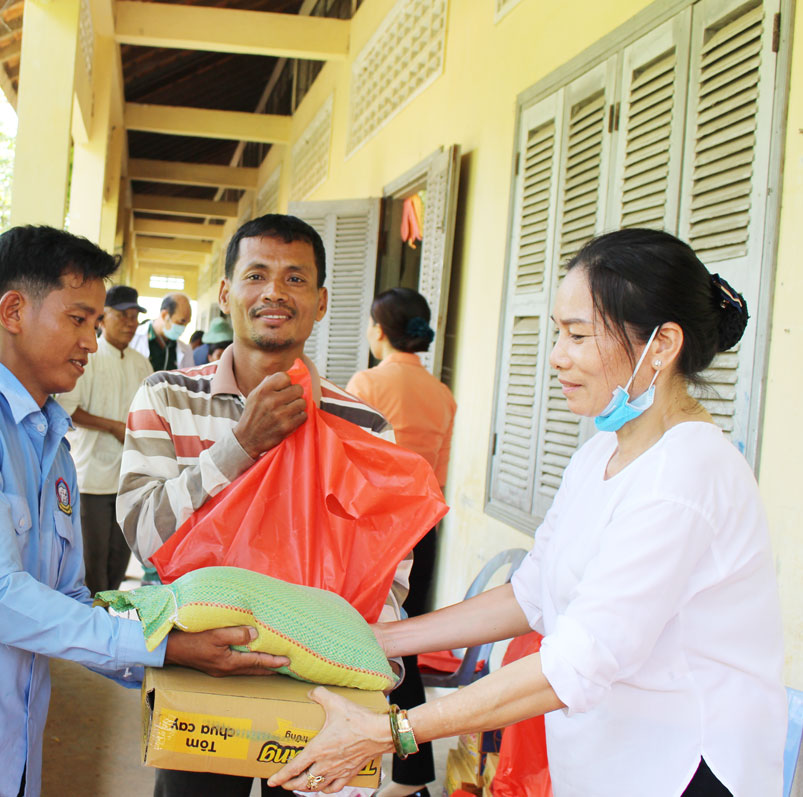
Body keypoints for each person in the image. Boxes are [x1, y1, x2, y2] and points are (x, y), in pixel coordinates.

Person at [268, 229, 786, 797]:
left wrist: (391, 730)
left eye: (579, 335)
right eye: (557, 333)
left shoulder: (687, 473)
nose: (558, 357)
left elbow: (578, 662)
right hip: (603, 763)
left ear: (661, 346)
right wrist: (378, 638)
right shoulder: (599, 455)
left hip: (682, 769)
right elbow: (530, 595)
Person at [0, 226, 288, 797]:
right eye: (78, 319)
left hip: (7, 761)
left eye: (96, 322)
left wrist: (171, 636)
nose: (92, 340)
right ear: (13, 311)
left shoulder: (52, 445)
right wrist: (161, 646)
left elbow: (69, 599)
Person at [118, 214, 396, 797]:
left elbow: (386, 569)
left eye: (295, 279)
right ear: (226, 293)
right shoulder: (167, 396)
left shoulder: (364, 425)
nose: (274, 291)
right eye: (256, 274)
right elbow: (145, 536)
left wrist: (363, 669)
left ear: (321, 303)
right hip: (202, 671)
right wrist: (240, 445)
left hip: (321, 688)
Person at [344, 288, 456, 797]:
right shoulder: (442, 394)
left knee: (355, 640)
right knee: (407, 644)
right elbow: (440, 477)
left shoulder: (366, 382)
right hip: (423, 529)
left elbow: (347, 465)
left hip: (375, 529)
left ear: (379, 330)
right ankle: (412, 774)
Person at [56, 285, 153, 594]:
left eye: (135, 316)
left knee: (118, 562)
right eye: (122, 315)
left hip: (129, 480)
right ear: (102, 318)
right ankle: (94, 629)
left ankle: (110, 622)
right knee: (92, 564)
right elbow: (68, 409)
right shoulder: (89, 357)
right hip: (92, 480)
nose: (130, 322)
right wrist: (112, 426)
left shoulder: (141, 363)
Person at [131, 291, 194, 371]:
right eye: (181, 321)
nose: (183, 327)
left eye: (186, 323)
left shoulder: (185, 350)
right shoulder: (134, 338)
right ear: (164, 315)